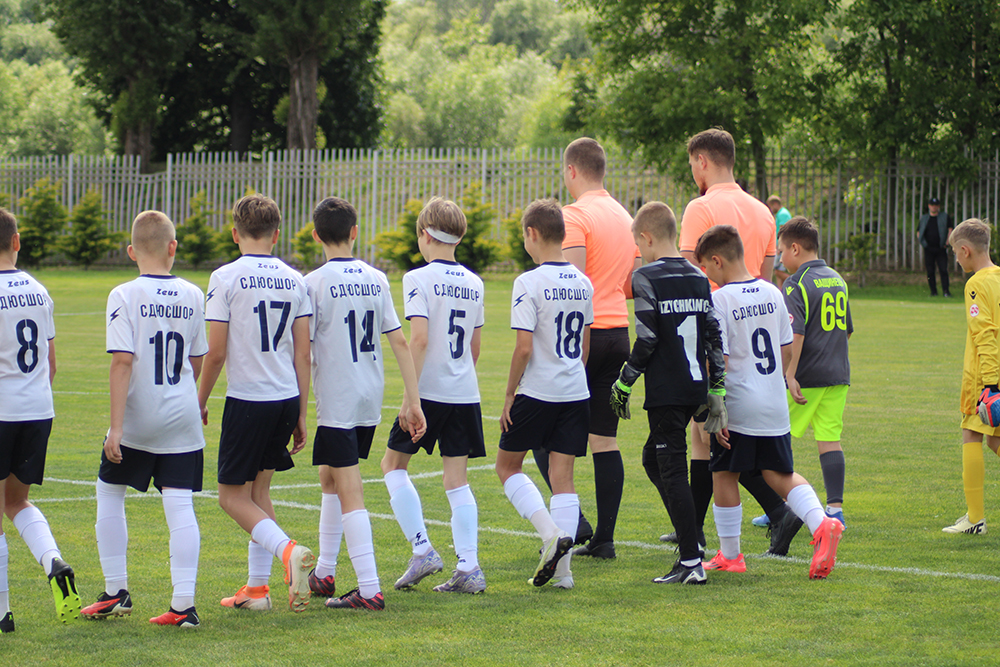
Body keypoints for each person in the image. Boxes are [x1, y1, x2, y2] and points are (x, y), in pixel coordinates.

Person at [694, 225, 843, 580]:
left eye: (706, 267)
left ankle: (731, 555)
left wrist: (715, 406)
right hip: (774, 401)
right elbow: (786, 348)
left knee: (723, 472)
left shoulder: (720, 300)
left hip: (739, 403)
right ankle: (822, 523)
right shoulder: (773, 292)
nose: (706, 274)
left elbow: (719, 360)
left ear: (717, 261)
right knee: (779, 473)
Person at [81, 211, 206, 628]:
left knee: (109, 491)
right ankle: (184, 605)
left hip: (139, 417)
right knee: (180, 504)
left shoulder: (123, 294)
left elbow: (122, 362)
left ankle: (116, 591)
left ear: (131, 252)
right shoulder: (193, 293)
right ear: (173, 247)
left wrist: (115, 428)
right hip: (182, 415)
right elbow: (196, 358)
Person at [305, 197, 426, 611]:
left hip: (338, 397)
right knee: (329, 476)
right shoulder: (376, 278)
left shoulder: (313, 283)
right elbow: (400, 341)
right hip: (368, 396)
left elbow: (303, 349)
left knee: (349, 486)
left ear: (316, 235)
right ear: (355, 232)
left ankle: (370, 588)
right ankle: (324, 572)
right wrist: (413, 400)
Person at [198, 193, 316, 613]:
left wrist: (199, 399)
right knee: (258, 491)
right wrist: (300, 412)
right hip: (284, 397)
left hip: (249, 398)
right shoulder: (296, 279)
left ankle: (288, 552)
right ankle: (257, 590)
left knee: (231, 497)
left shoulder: (225, 277)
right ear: (276, 234)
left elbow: (215, 352)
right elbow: (303, 353)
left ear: (235, 233)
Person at [607, 202, 726, 585]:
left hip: (667, 390)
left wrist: (624, 381)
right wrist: (717, 387)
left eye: (637, 245)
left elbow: (647, 338)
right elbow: (713, 334)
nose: (638, 252)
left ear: (646, 238)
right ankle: (692, 536)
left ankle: (691, 561)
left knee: (671, 469)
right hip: (695, 386)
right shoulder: (698, 275)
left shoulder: (645, 276)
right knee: (652, 459)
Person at [534, 137, 639, 560]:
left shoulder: (574, 216)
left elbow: (570, 282)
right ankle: (604, 539)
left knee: (542, 432)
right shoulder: (624, 216)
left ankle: (575, 522)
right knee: (604, 439)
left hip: (583, 336)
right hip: (618, 333)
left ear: (572, 170)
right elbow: (630, 283)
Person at [380, 197, 488, 594]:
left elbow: (420, 339)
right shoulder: (475, 282)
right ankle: (469, 567)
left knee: (392, 465)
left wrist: (411, 399)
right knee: (457, 481)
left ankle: (422, 548)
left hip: (429, 392)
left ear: (425, 235)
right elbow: (474, 349)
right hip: (465, 392)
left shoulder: (417, 278)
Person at [676, 128, 779, 544]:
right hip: (753, 332)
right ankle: (693, 528)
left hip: (712, 330)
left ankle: (778, 512)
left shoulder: (699, 208)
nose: (693, 172)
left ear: (702, 161)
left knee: (711, 432)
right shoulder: (763, 212)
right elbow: (765, 280)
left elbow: (687, 278)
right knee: (708, 433)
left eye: (692, 164)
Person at [497, 199, 593, 589]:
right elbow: (585, 345)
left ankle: (549, 534)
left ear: (532, 234)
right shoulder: (584, 282)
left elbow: (523, 348)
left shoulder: (529, 282)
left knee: (507, 467)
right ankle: (564, 574)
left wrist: (509, 395)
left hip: (538, 391)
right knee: (562, 477)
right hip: (576, 390)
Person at [0, 207, 80, 633]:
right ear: (16, 241)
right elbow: (50, 363)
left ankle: (2, 613)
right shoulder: (38, 290)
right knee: (15, 502)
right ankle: (53, 561)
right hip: (37, 410)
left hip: (2, 410)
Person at [778, 217, 852, 529]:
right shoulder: (837, 279)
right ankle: (835, 509)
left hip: (806, 377)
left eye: (782, 250)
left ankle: (781, 507)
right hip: (838, 375)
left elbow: (795, 334)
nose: (780, 257)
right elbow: (847, 330)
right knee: (830, 439)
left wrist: (789, 374)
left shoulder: (795, 284)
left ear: (795, 248)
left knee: (777, 438)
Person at [943, 218, 1000, 534]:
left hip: (984, 375)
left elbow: (985, 334)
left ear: (965, 250)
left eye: (955, 252)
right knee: (995, 439)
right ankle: (974, 517)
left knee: (972, 435)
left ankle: (975, 519)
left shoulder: (976, 284)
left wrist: (990, 385)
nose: (955, 259)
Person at [918, 197, 954, 297]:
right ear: (929, 206)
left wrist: (947, 242)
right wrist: (923, 243)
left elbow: (950, 229)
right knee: (930, 271)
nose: (934, 207)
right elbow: (919, 231)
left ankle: (946, 291)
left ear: (938, 206)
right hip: (928, 249)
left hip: (941, 248)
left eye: (936, 205)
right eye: (932, 205)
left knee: (943, 270)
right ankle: (933, 292)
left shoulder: (944, 217)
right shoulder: (924, 218)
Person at [767, 195, 792, 285]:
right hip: (781, 245)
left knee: (778, 272)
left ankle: (795, 283)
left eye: (771, 206)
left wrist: (779, 247)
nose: (771, 209)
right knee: (778, 272)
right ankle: (781, 290)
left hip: (782, 246)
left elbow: (783, 230)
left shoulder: (782, 214)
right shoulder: (781, 214)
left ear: (775, 204)